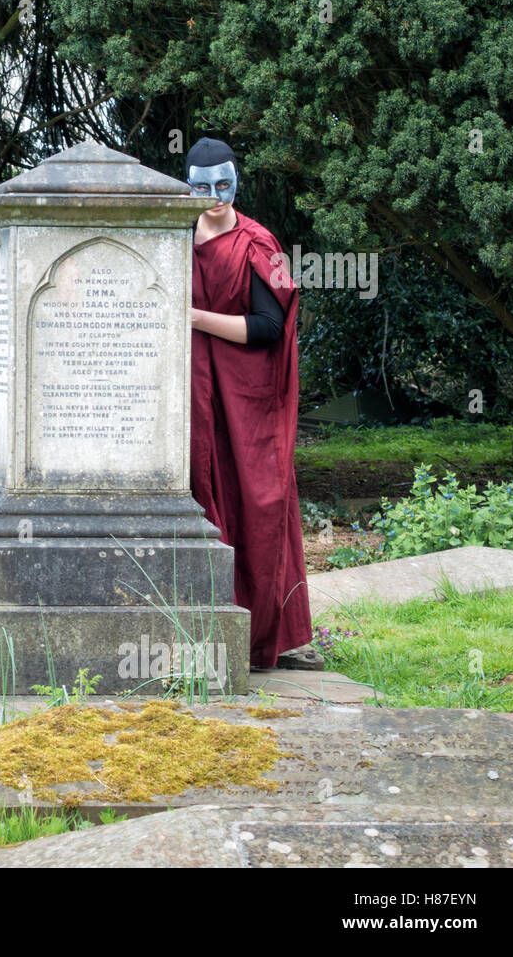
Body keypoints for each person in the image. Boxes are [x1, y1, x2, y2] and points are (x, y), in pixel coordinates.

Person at [184, 137, 320, 671]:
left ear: (236, 181)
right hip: (195, 395)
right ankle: (208, 625)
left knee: (258, 502)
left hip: (249, 398)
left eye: (225, 184)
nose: (215, 196)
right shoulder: (174, 237)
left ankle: (261, 634)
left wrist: (193, 317)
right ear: (188, 184)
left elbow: (270, 327)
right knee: (203, 494)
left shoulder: (262, 243)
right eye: (202, 186)